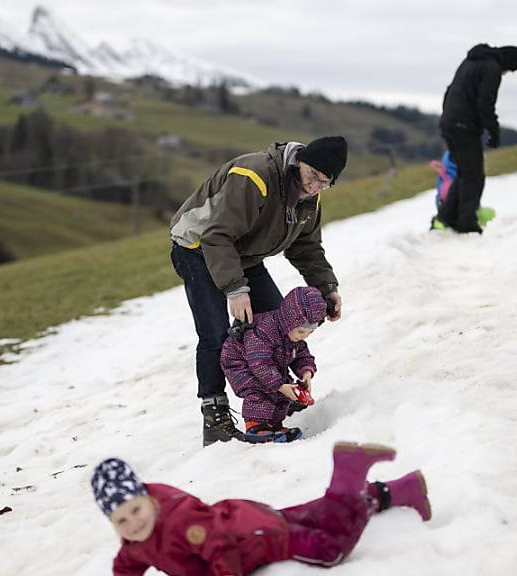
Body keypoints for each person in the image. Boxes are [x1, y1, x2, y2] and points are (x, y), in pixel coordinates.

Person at [169, 137, 348, 446]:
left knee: (280, 324)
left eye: (325, 183)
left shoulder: (309, 197)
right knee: (216, 334)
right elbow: (218, 235)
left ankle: (271, 403)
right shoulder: (254, 177)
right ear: (299, 163)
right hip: (198, 248)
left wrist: (326, 287)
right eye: (313, 177)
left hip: (242, 254)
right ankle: (216, 418)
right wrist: (236, 290)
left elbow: (306, 247)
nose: (315, 186)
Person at [91, 442, 431, 576]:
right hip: (249, 517)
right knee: (318, 514)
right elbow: (126, 565)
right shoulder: (136, 541)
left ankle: (349, 476)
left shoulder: (180, 522)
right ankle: (402, 490)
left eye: (135, 511)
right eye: (121, 520)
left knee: (329, 548)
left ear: (148, 500)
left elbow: (221, 549)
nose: (132, 523)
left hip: (262, 538)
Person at [220, 286, 327, 443]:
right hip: (241, 362)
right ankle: (255, 426)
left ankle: (274, 425)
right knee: (260, 389)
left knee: (283, 390)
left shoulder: (294, 337)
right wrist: (279, 384)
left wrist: (306, 372)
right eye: (301, 332)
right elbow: (259, 362)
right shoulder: (265, 330)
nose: (303, 337)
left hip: (266, 365)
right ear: (290, 321)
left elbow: (302, 355)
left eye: (309, 333)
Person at [435, 44, 517, 233]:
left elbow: (449, 90)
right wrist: (493, 130)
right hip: (464, 126)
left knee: (464, 172)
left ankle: (446, 217)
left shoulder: (470, 61)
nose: (507, 73)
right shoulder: (491, 68)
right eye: (511, 70)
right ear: (508, 62)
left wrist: (450, 117)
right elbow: (485, 102)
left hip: (449, 122)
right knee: (474, 176)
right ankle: (466, 223)